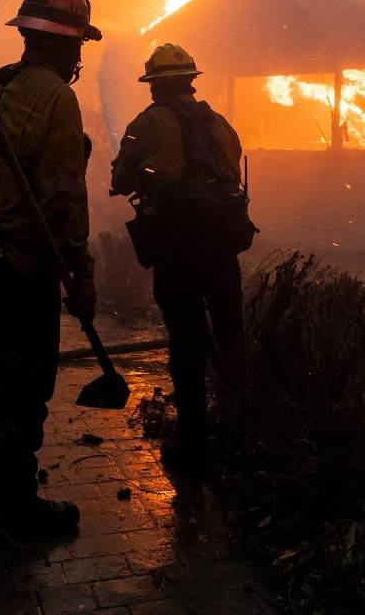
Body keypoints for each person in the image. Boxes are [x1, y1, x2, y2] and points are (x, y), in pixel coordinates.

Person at [0, 0, 100, 535]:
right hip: (16, 269)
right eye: (80, 44)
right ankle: (7, 510)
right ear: (66, 43)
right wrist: (81, 278)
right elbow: (61, 202)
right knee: (20, 393)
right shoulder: (58, 97)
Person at [110, 43, 255, 474]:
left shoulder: (146, 124)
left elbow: (119, 179)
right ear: (192, 81)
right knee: (231, 332)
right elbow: (230, 170)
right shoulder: (220, 124)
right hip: (223, 244)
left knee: (186, 341)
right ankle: (242, 426)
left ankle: (193, 443)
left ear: (155, 86)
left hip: (177, 247)